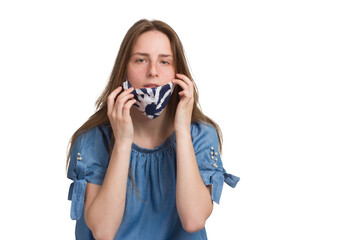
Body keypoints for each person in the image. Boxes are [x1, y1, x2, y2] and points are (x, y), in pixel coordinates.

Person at [66, 19, 240, 240]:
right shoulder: (92, 139)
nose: (153, 71)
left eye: (165, 62)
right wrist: (122, 142)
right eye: (141, 60)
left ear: (178, 73)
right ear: (124, 70)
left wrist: (183, 133)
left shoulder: (201, 135)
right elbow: (103, 231)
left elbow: (194, 220)